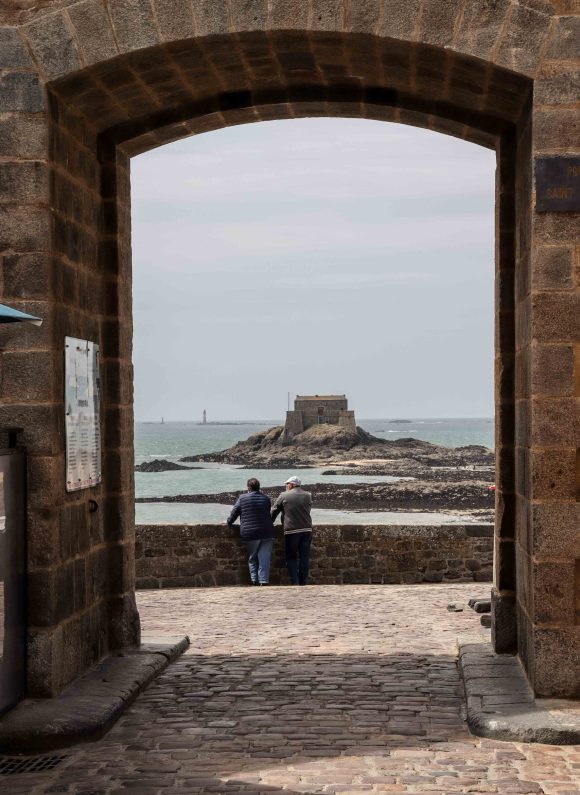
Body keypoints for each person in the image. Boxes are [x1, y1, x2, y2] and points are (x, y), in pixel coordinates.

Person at [227, 478, 276, 586]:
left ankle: (254, 580)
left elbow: (234, 512)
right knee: (264, 558)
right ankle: (264, 581)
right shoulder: (266, 498)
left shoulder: (242, 498)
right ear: (259, 487)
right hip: (267, 531)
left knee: (252, 557)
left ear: (248, 487)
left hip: (251, 532)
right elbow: (268, 513)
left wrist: (229, 522)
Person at [271, 476, 313, 586]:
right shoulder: (308, 495)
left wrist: (270, 522)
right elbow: (308, 509)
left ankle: (295, 581)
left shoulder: (284, 495)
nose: (286, 486)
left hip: (292, 530)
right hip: (307, 529)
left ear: (291, 485)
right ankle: (302, 581)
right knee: (304, 557)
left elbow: (274, 511)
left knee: (290, 556)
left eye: (287, 484)